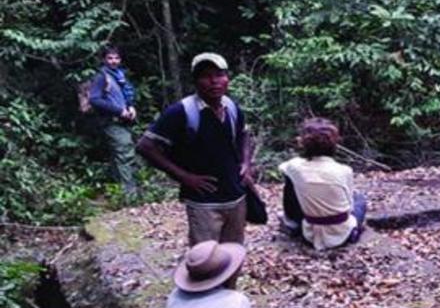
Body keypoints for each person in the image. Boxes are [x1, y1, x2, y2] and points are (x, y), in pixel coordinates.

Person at [137, 53, 253, 245]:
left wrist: (246, 163)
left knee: (233, 255)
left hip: (235, 196)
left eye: (219, 75)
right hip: (203, 202)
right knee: (205, 259)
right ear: (196, 81)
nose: (214, 81)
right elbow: (145, 147)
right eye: (206, 76)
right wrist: (184, 177)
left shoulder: (231, 107)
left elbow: (244, 134)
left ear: (227, 79)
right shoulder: (181, 112)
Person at [278, 118, 367, 251]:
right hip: (341, 234)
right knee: (359, 199)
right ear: (334, 144)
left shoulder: (294, 166)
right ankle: (354, 230)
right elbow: (349, 206)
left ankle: (293, 222)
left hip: (308, 233)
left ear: (303, 143)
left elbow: (282, 168)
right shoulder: (344, 170)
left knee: (290, 180)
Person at [88, 45, 139, 200]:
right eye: (110, 58)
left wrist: (130, 107)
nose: (113, 61)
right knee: (125, 153)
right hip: (111, 122)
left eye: (116, 58)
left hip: (123, 121)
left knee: (118, 156)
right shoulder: (102, 77)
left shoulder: (119, 76)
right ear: (104, 60)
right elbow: (94, 99)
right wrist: (118, 111)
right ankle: (130, 197)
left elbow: (125, 97)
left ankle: (116, 193)